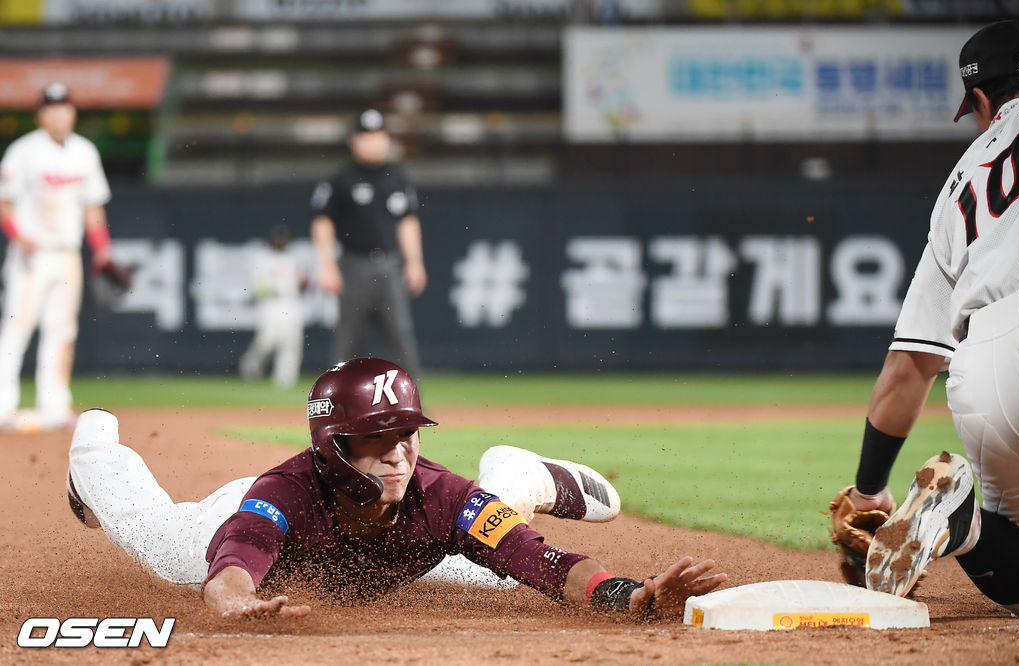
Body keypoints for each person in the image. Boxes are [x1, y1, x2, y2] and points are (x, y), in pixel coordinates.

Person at [66, 357, 725, 620]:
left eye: (408, 430)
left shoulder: (442, 497)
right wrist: (237, 602)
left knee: (500, 568)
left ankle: (513, 480)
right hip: (214, 532)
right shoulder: (282, 495)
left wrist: (632, 597)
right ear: (334, 446)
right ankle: (93, 443)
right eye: (378, 436)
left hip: (392, 556)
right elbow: (235, 561)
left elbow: (549, 566)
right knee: (150, 539)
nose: (401, 450)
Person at [834, 20, 1019, 615]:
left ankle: (960, 519)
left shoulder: (961, 184)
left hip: (989, 363)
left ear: (982, 100)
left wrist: (868, 491)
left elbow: (910, 365)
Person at [0, 82, 115, 430]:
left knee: (62, 331)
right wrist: (19, 237)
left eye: (64, 107)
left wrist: (102, 247)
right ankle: (3, 406)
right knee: (16, 330)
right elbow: (4, 204)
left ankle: (54, 406)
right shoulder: (23, 152)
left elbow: (92, 207)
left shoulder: (85, 152)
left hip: (66, 253)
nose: (58, 113)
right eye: (51, 108)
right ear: (40, 114)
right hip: (31, 256)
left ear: (72, 112)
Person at [310, 109, 426, 379]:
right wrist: (327, 265)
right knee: (348, 344)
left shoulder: (397, 178)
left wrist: (415, 261)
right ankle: (340, 409)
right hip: (354, 267)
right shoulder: (341, 181)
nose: (374, 141)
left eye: (379, 135)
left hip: (390, 266)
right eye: (367, 136)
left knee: (401, 339)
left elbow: (408, 222)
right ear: (354, 141)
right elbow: (322, 222)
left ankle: (409, 407)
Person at [239, 225, 307, 389]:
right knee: (267, 340)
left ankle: (285, 379)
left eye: (283, 240)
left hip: (291, 303)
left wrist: (302, 284)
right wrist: (275, 288)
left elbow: (303, 282)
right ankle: (250, 368)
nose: (280, 242)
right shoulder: (262, 259)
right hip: (270, 303)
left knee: (291, 342)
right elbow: (255, 286)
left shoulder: (293, 258)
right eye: (277, 239)